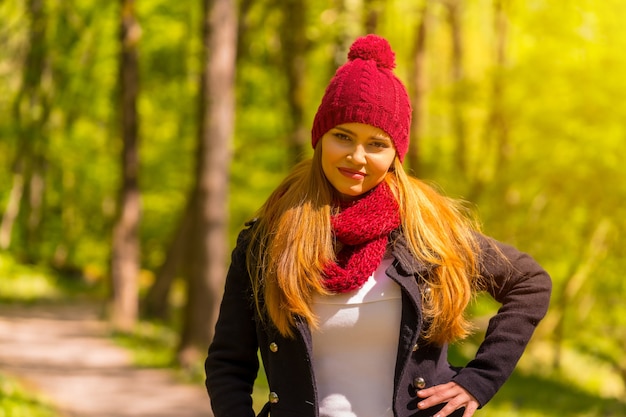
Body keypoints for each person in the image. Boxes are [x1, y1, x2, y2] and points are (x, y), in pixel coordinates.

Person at [205, 34, 551, 417]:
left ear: (394, 155)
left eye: (376, 144)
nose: (357, 157)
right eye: (343, 136)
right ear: (321, 139)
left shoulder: (428, 232)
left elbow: (530, 283)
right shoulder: (267, 241)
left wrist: (480, 380)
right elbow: (227, 365)